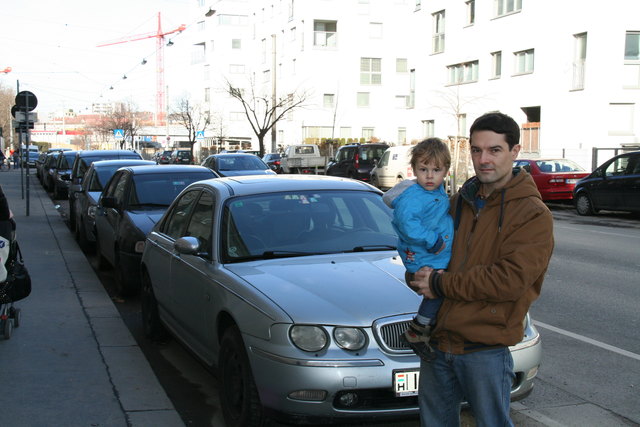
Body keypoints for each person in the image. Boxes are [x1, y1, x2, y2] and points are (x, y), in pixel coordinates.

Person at [410, 112, 554, 426]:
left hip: (484, 350)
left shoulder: (532, 213)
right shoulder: (456, 203)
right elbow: (426, 256)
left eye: (494, 150)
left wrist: (439, 284)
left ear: (515, 152)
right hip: (437, 344)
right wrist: (416, 272)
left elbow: (509, 280)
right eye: (476, 150)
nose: (483, 159)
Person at [382, 138, 453, 361]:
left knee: (441, 290)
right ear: (413, 169)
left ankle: (427, 327)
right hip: (425, 253)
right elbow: (407, 224)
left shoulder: (436, 191)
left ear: (446, 171)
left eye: (436, 170)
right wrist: (432, 239)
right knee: (437, 289)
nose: (430, 176)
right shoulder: (413, 196)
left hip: (435, 253)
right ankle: (418, 329)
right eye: (423, 169)